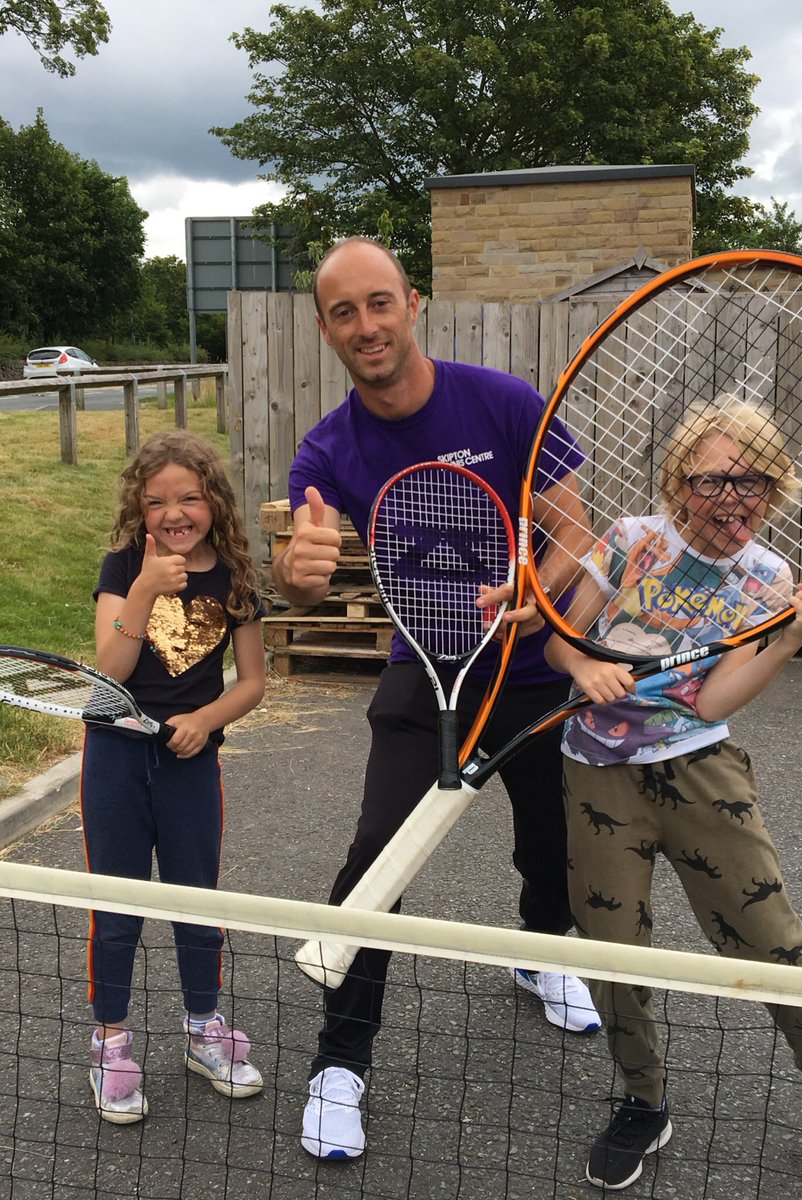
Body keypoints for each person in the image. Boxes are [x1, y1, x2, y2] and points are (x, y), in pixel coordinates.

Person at [274, 235, 601, 1161]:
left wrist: (541, 587)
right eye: (344, 311)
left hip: (531, 671)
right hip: (426, 671)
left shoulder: (501, 402)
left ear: (411, 303)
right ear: (325, 327)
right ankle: (340, 1065)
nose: (365, 326)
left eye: (378, 303)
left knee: (553, 849)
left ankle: (539, 952)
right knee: (377, 858)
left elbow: (573, 527)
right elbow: (305, 563)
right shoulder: (328, 448)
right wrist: (297, 573)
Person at [544, 398, 802, 1192]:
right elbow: (561, 634)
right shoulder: (628, 542)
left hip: (698, 770)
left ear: (774, 487)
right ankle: (643, 1101)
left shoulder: (767, 579)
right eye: (712, 478)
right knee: (608, 949)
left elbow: (714, 702)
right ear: (677, 482)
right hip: (595, 770)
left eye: (751, 478)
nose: (732, 495)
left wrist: (791, 633)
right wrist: (583, 668)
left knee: (771, 940)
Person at [82, 430, 267, 1123]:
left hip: (191, 763)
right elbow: (108, 674)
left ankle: (203, 1031)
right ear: (140, 506)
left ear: (212, 501)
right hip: (115, 759)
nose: (174, 512)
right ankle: (109, 1040)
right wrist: (143, 592)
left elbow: (253, 684)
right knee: (116, 908)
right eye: (157, 501)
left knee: (197, 901)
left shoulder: (237, 578)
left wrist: (205, 717)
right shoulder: (124, 565)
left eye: (188, 497)